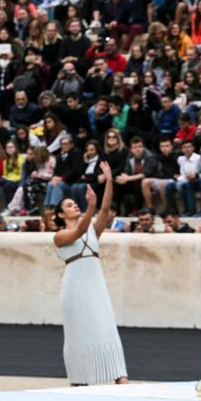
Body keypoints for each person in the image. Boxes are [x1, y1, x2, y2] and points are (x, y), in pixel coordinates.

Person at [53, 161, 128, 386]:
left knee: (106, 326)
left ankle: (120, 376)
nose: (74, 206)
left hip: (96, 285)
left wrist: (109, 181)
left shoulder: (92, 230)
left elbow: (104, 210)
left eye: (75, 204)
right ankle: (79, 379)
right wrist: (89, 207)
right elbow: (78, 231)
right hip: (74, 288)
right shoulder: (59, 236)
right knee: (78, 333)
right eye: (69, 205)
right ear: (60, 214)